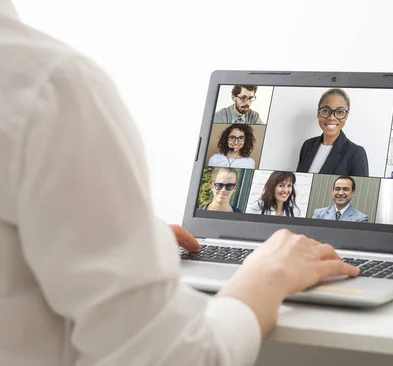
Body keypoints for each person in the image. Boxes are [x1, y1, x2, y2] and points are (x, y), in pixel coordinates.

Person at [0, 3, 360, 365]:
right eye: (325, 111)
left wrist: (117, 237)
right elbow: (171, 357)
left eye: (339, 111)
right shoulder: (48, 84)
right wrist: (266, 276)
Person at [296, 88, 369, 177]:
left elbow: (360, 190)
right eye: (326, 111)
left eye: (339, 112)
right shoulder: (307, 145)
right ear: (318, 113)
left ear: (346, 116)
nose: (331, 117)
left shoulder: (356, 153)